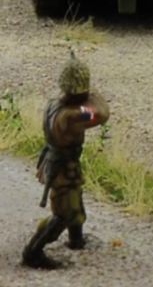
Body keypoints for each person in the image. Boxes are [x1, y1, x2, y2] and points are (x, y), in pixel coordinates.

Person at [22, 52, 110, 269]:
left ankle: (76, 239)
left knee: (75, 199)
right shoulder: (72, 115)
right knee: (63, 213)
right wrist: (92, 93)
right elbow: (102, 113)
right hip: (62, 168)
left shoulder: (55, 104)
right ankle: (33, 252)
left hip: (60, 162)